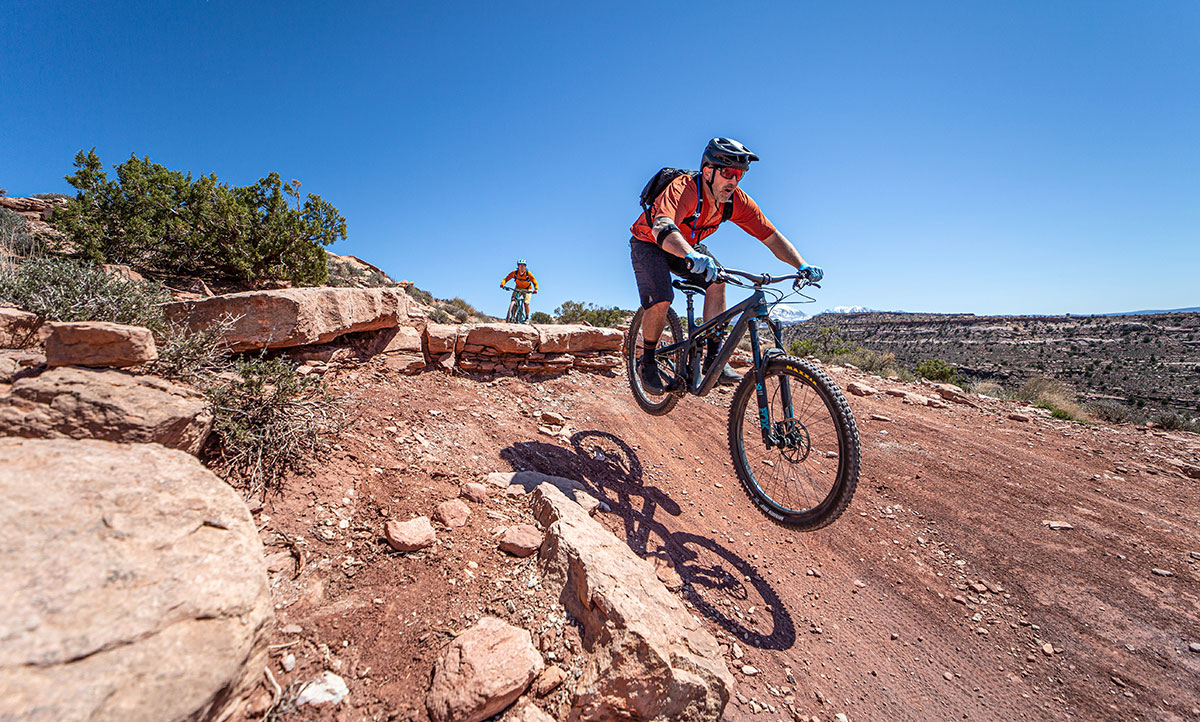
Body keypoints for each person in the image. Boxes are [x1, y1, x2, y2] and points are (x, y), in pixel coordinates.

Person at [630, 137, 824, 394]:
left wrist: (802, 264)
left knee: (718, 281)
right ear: (708, 171)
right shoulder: (685, 188)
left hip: (687, 245)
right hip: (650, 241)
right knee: (662, 298)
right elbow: (662, 227)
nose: (734, 181)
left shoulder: (735, 201)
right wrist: (691, 255)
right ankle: (648, 360)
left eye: (740, 175)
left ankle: (713, 359)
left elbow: (772, 237)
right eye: (728, 172)